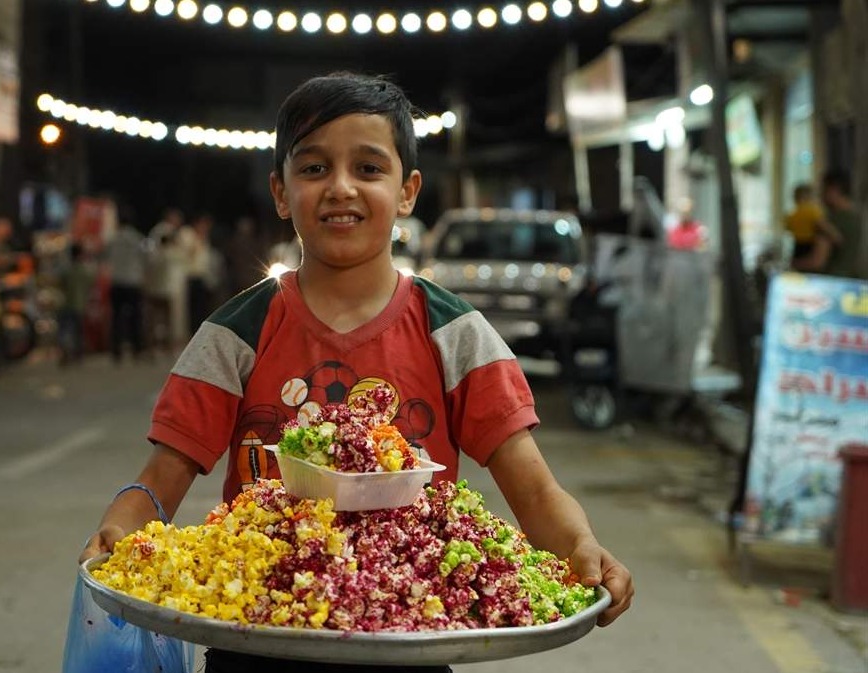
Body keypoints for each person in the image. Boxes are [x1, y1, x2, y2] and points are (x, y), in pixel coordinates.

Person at [79, 73, 634, 672]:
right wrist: (120, 527)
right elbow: (164, 474)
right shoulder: (235, 331)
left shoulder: (456, 333)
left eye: (368, 169)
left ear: (407, 191)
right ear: (281, 192)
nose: (341, 188)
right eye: (314, 169)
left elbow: (534, 489)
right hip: (256, 641)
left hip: (414, 643)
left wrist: (581, 547)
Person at [105, 207, 148, 363]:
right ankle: (137, 349)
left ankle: (116, 351)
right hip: (133, 282)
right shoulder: (137, 239)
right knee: (135, 317)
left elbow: (104, 256)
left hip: (117, 282)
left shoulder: (112, 239)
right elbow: (147, 257)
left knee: (116, 317)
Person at [805, 170, 864, 279]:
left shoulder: (828, 222)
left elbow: (817, 262)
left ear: (833, 190)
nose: (820, 196)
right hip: (858, 284)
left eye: (823, 190)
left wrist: (791, 264)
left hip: (832, 284)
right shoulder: (860, 218)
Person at [785, 183, 842, 271]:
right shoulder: (812, 211)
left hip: (797, 246)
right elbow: (824, 226)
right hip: (811, 245)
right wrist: (837, 237)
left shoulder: (792, 215)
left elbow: (788, 228)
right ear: (808, 197)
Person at [57, 243, 91, 366]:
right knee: (77, 331)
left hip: (65, 303)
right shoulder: (83, 270)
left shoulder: (66, 270)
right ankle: (77, 355)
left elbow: (60, 283)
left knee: (65, 330)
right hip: (78, 304)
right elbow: (89, 284)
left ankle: (65, 352)